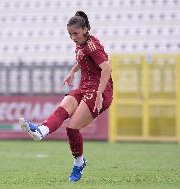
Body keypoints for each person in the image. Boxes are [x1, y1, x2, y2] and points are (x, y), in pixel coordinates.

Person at [19, 11, 113, 182]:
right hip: (85, 87)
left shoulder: (93, 47)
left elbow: (106, 69)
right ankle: (41, 131)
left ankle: (79, 163)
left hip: (100, 90)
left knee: (72, 127)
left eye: (75, 33)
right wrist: (72, 71)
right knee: (64, 107)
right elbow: (82, 58)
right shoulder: (82, 44)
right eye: (70, 34)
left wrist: (99, 95)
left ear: (85, 30)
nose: (73, 37)